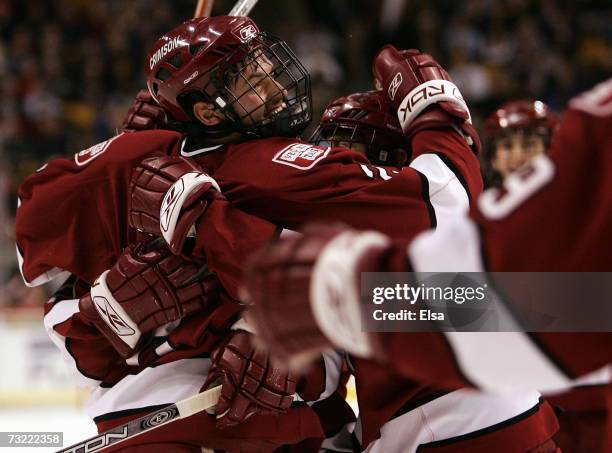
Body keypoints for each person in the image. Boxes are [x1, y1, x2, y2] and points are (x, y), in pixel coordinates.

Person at [16, 16, 555, 452]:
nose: (341, 160)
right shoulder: (248, 171)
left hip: (457, 427)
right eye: (254, 78)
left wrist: (216, 236)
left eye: (356, 151)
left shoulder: (254, 173)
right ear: (206, 110)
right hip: (422, 427)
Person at [242, 77, 612, 400]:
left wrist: (351, 295)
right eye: (508, 145)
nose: (335, 159)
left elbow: (524, 314)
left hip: (492, 406)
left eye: (528, 142)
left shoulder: (452, 206)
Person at [481, 99, 558, 187]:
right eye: (507, 146)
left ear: (548, 151)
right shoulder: (483, 200)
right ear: (493, 159)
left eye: (528, 145)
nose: (517, 156)